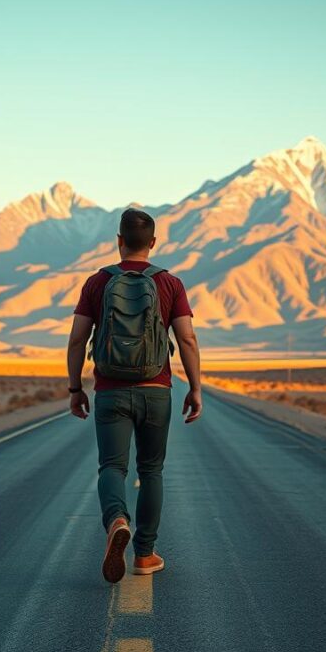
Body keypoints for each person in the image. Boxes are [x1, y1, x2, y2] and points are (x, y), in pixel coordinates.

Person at [66, 207, 203, 583]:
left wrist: (75, 387)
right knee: (151, 470)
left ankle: (117, 521)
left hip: (111, 391)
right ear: (154, 243)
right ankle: (144, 554)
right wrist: (195, 387)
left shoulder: (97, 282)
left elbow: (78, 338)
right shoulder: (170, 283)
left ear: (119, 241)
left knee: (112, 466)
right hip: (156, 390)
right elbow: (187, 338)